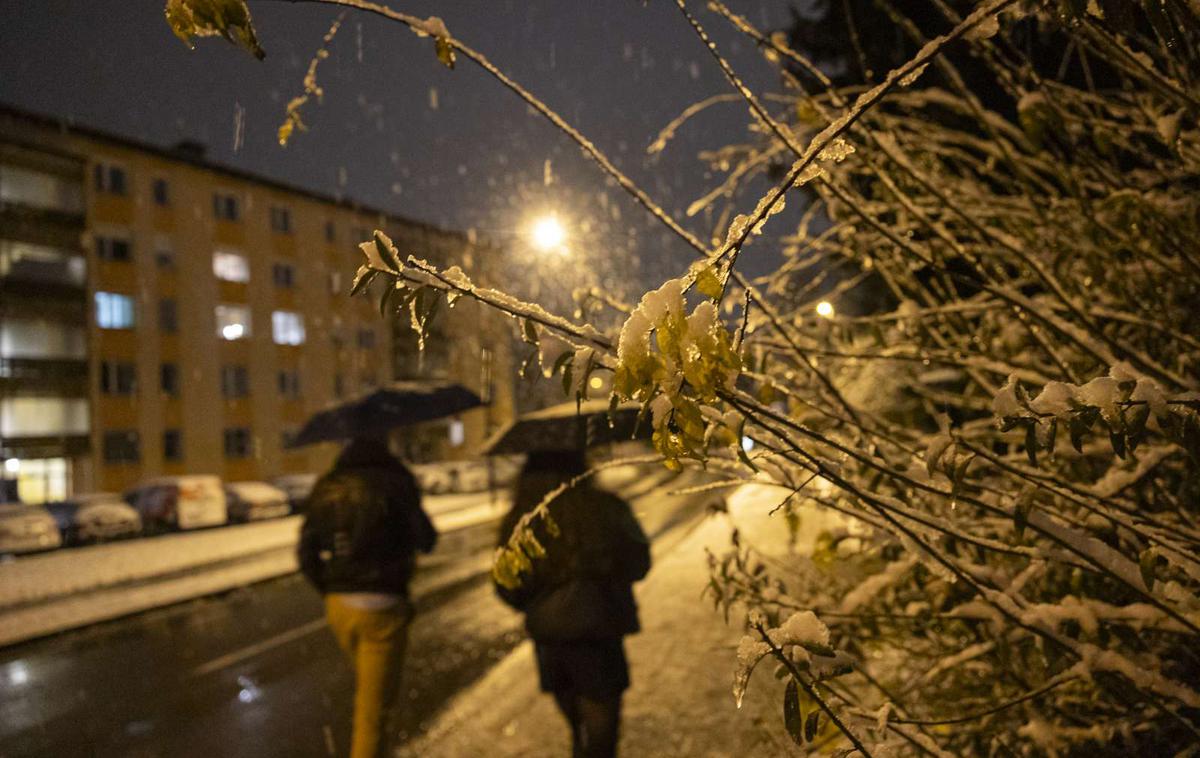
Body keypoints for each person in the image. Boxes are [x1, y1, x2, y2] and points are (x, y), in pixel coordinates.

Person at [495, 450, 651, 758]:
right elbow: (639, 562)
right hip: (600, 628)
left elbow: (506, 584)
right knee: (602, 723)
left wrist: (536, 602)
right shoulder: (605, 507)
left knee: (577, 720)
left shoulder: (521, 519)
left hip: (550, 636)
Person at [298, 435, 436, 758]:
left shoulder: (327, 487)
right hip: (383, 607)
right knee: (372, 713)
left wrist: (331, 588)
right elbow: (426, 539)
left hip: (339, 607)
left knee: (370, 696)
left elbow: (306, 554)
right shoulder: (396, 483)